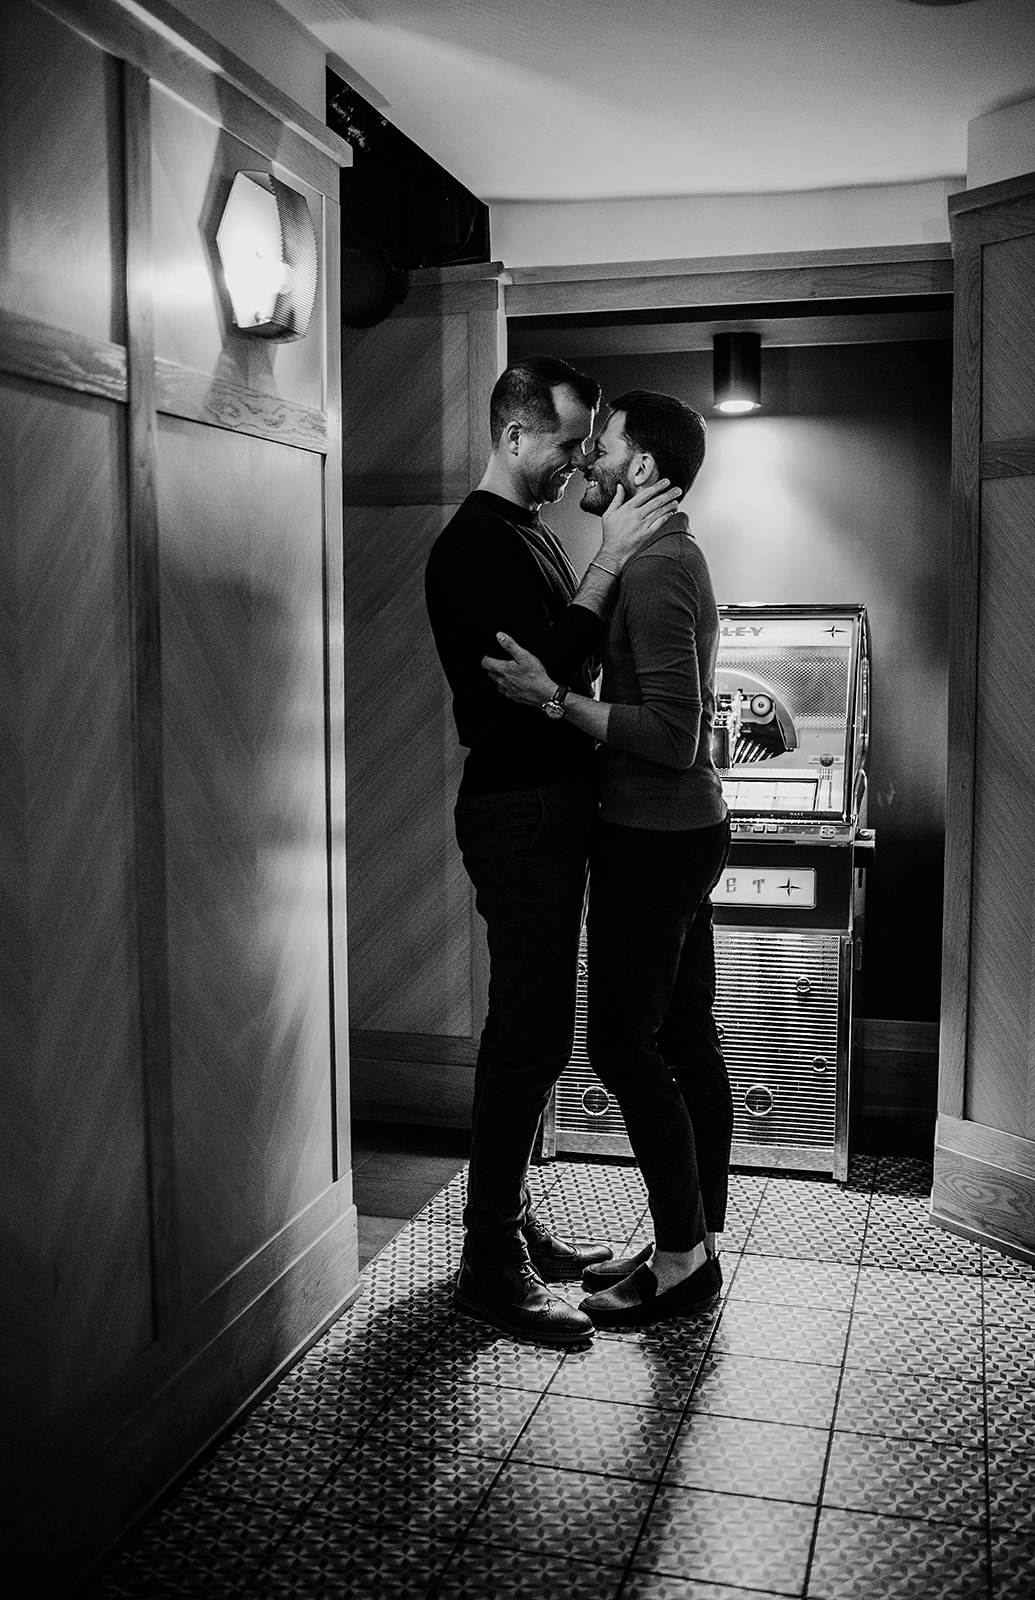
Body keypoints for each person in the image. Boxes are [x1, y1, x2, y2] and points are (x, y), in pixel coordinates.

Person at [425, 359, 685, 1345]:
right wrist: (609, 561)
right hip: (518, 809)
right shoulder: (471, 547)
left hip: (543, 806)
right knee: (526, 1029)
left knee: (534, 1024)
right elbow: (543, 679)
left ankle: (510, 1223)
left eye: (587, 440)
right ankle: (489, 1257)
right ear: (514, 435)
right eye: (568, 440)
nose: (577, 459)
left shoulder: (524, 533)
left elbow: (557, 671)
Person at [483, 390, 732, 1329]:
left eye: (605, 447)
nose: (587, 460)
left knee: (623, 1049)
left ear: (640, 469)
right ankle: (692, 1241)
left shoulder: (662, 568)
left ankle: (681, 1262)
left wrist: (553, 700)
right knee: (681, 1040)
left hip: (654, 835)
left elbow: (670, 734)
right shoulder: (653, 559)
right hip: (674, 831)